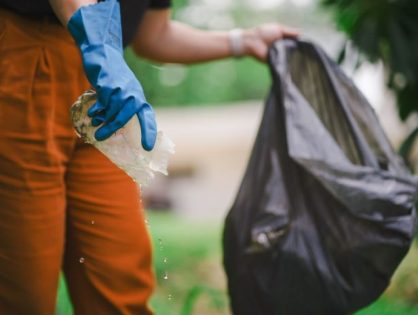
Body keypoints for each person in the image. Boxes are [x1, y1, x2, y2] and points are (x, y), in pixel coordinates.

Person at [0, 0, 298, 314]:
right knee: (23, 290)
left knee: (120, 281)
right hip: (21, 55)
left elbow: (153, 34)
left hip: (101, 87)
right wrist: (98, 44)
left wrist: (242, 40)